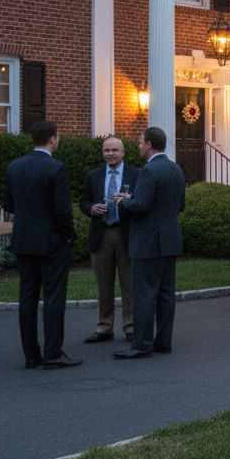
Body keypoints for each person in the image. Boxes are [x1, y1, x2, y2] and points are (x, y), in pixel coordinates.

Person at [4, 120, 81, 371]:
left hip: (23, 239)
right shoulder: (56, 168)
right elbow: (63, 210)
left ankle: (31, 354)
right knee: (53, 296)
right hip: (51, 241)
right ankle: (53, 353)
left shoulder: (14, 166)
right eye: (58, 137)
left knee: (27, 297)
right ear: (52, 139)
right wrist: (69, 235)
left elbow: (9, 205)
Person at [113, 127, 187, 359]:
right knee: (166, 294)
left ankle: (142, 345)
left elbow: (141, 206)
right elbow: (180, 205)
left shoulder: (148, 170)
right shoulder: (176, 169)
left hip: (148, 242)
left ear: (149, 144)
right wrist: (134, 198)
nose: (139, 146)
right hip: (170, 240)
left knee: (144, 294)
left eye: (140, 142)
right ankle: (163, 342)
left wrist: (123, 202)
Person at [78, 137, 141, 343]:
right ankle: (104, 328)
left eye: (114, 150)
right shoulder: (93, 176)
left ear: (123, 152)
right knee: (104, 285)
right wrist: (91, 208)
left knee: (129, 284)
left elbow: (143, 202)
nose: (110, 154)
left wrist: (130, 200)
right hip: (102, 233)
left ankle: (131, 327)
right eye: (107, 150)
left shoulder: (136, 174)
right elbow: (83, 202)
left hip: (126, 234)